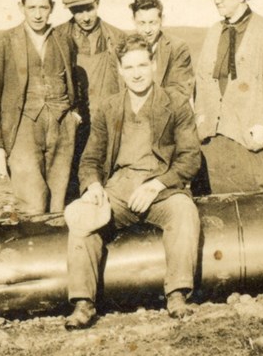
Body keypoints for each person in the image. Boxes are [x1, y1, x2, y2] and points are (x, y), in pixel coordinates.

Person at [64, 34, 201, 330]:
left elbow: (190, 159)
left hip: (162, 189)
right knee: (84, 221)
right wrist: (93, 187)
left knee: (184, 212)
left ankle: (177, 294)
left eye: (142, 65)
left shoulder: (175, 104)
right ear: (120, 70)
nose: (137, 73)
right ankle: (83, 303)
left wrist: (158, 185)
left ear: (153, 65)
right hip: (119, 189)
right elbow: (90, 160)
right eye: (129, 67)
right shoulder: (109, 107)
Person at [0, 0, 82, 215]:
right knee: (32, 203)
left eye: (43, 8)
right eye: (32, 8)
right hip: (22, 128)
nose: (37, 15)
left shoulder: (63, 39)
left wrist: (73, 115)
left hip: (61, 128)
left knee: (59, 203)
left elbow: (73, 80)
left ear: (52, 7)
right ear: (21, 7)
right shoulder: (4, 42)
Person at [193, 0, 263, 194]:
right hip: (216, 139)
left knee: (260, 206)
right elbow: (202, 79)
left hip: (252, 138)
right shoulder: (214, 31)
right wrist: (200, 115)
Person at [129, 0, 195, 101]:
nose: (147, 30)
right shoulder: (125, 49)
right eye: (142, 23)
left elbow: (180, 92)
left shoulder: (177, 48)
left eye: (152, 23)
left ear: (162, 20)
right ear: (134, 21)